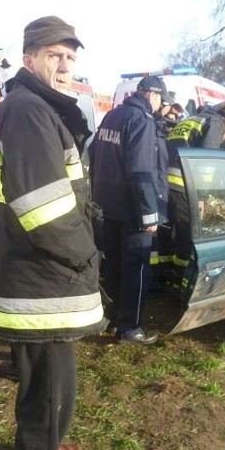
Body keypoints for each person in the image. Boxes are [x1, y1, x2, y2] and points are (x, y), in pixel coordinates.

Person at [0, 16, 104, 450]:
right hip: (43, 281)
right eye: (54, 55)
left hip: (41, 279)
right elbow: (42, 209)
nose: (65, 65)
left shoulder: (29, 108)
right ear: (28, 58)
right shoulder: (29, 112)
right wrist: (87, 258)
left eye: (71, 56)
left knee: (55, 387)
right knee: (44, 399)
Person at [89, 75, 171, 345]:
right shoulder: (142, 121)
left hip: (108, 208)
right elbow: (141, 172)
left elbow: (93, 155)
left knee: (113, 267)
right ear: (153, 96)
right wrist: (150, 215)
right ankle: (130, 328)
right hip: (133, 211)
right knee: (136, 270)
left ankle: (113, 319)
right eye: (161, 100)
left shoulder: (112, 116)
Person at [165, 103, 225, 293]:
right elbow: (206, 161)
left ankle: (167, 276)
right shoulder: (217, 122)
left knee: (170, 233)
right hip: (183, 185)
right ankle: (179, 282)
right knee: (185, 235)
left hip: (165, 182)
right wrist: (201, 196)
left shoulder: (191, 119)